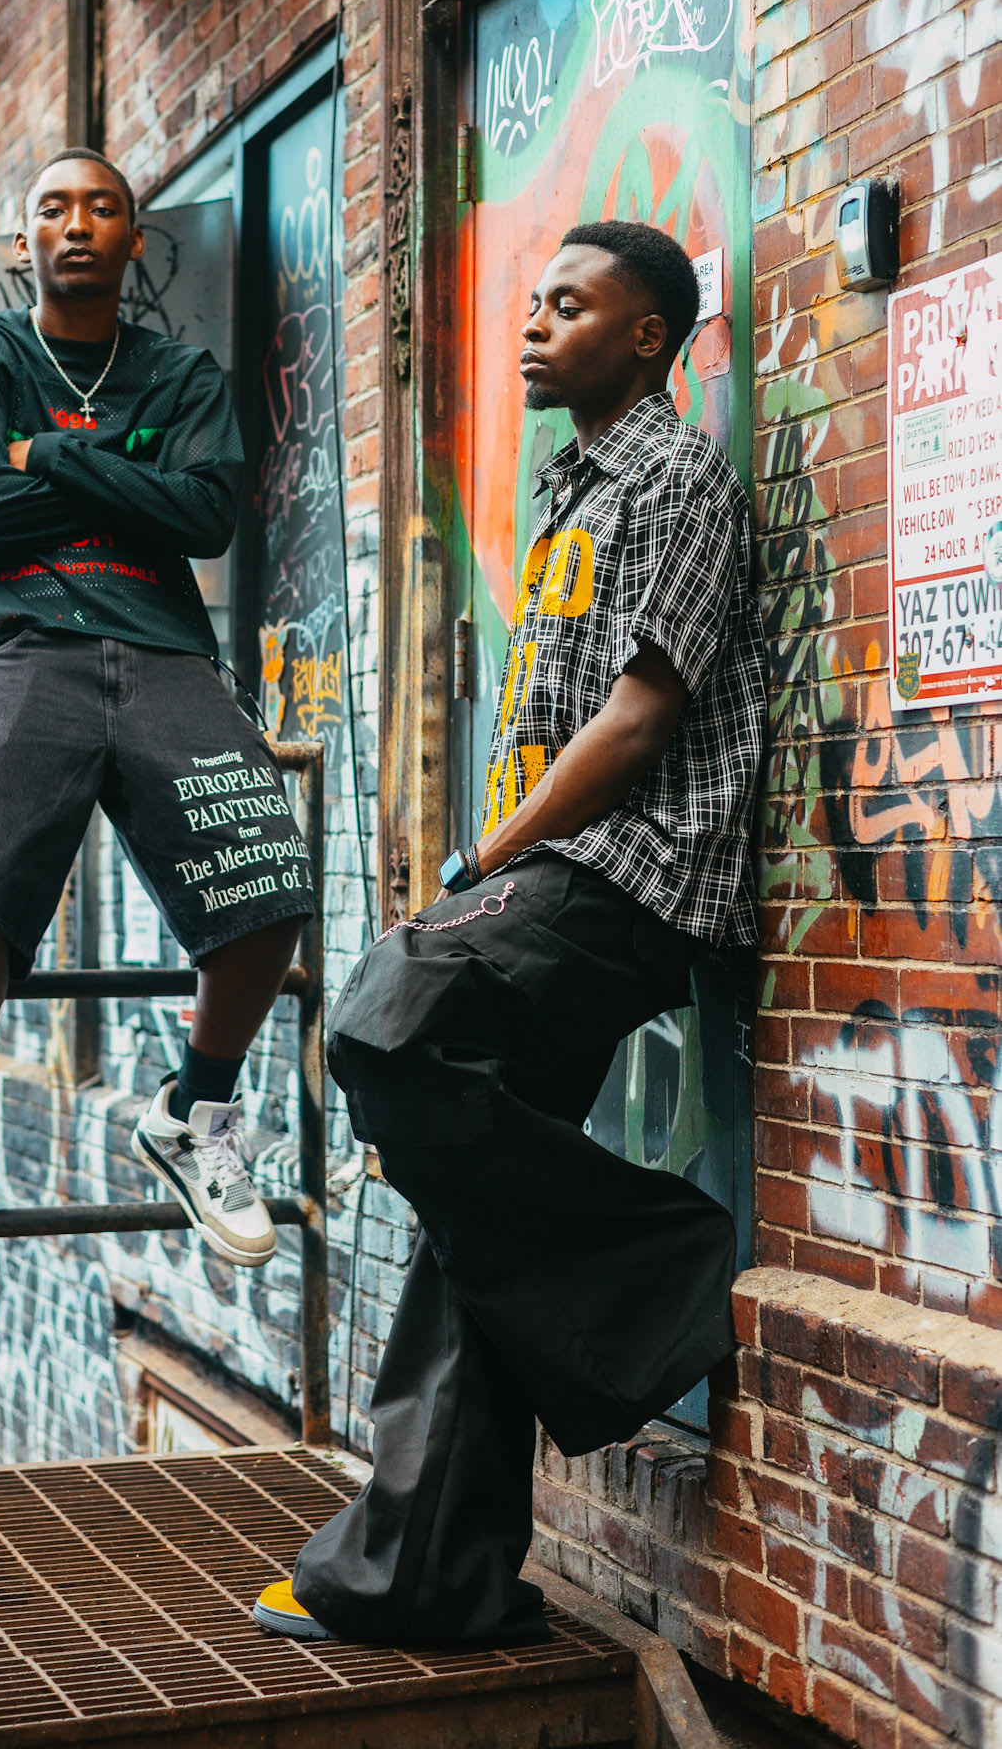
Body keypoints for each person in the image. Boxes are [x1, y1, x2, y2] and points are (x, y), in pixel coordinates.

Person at [252, 220, 766, 1647]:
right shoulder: (570, 486)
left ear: (648, 337)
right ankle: (431, 1579)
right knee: (472, 1240)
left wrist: (484, 858)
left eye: (568, 305)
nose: (533, 324)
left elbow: (640, 719)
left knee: (383, 1018)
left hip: (629, 876)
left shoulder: (676, 478)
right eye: (531, 302)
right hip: (560, 873)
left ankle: (655, 1258)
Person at [0, 148, 315, 1277]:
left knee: (270, 879)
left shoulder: (181, 374)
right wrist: (126, 471)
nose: (77, 224)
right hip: (22, 643)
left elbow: (204, 517)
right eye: (53, 209)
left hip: (164, 649)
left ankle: (194, 1113)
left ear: (134, 239)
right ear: (25, 241)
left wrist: (48, 455)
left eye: (102, 208)